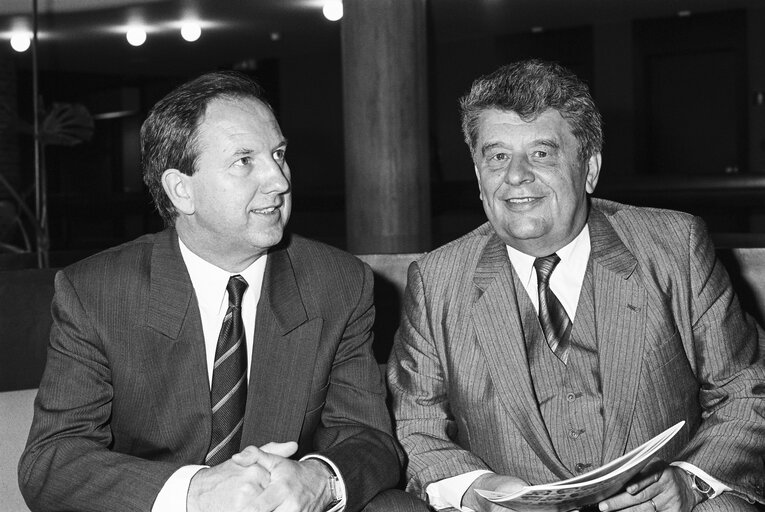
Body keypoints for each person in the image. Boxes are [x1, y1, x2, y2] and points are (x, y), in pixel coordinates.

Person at [19, 71, 409, 512]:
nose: (279, 181)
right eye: (245, 161)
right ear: (181, 190)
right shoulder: (96, 292)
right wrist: (197, 492)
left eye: (278, 154)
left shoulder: (337, 282)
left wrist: (316, 479)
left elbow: (369, 438)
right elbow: (52, 461)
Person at [387, 59, 765, 512]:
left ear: (589, 169)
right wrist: (477, 490)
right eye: (497, 156)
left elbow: (747, 390)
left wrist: (689, 482)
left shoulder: (675, 248)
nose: (516, 175)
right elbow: (415, 424)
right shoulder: (437, 281)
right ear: (478, 177)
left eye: (541, 153)